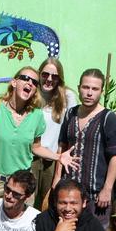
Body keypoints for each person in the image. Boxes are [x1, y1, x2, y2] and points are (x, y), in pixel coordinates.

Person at [0, 66, 72, 201]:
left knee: (22, 222)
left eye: (34, 82)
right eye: (25, 78)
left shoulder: (36, 115)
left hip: (22, 185)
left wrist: (58, 157)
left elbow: (36, 147)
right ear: (14, 82)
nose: (30, 83)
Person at [53, 69, 116, 224]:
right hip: (69, 196)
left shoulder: (108, 119)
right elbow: (62, 146)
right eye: (85, 87)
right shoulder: (70, 114)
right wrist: (57, 178)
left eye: (94, 89)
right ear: (79, 88)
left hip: (96, 197)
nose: (89, 93)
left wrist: (107, 189)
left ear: (101, 91)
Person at [34, 57, 77, 210]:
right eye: (45, 74)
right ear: (39, 74)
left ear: (60, 78)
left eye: (54, 76)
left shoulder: (67, 97)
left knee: (48, 205)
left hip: (53, 159)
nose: (49, 79)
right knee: (28, 203)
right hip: (29, 157)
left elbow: (70, 132)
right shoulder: (32, 93)